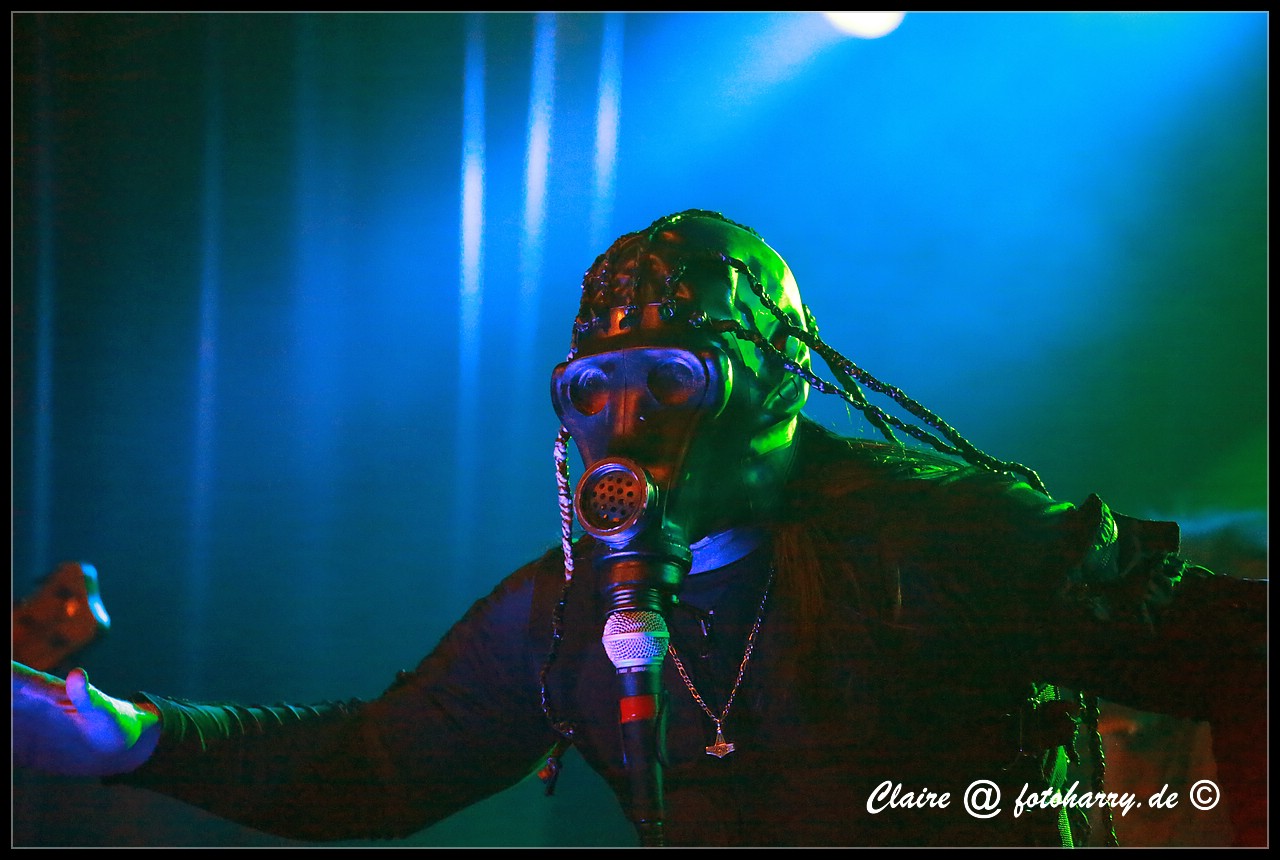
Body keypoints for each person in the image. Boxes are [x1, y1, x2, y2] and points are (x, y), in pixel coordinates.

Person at [12, 209, 1267, 848]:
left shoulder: (938, 534)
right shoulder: (562, 612)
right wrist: (132, 735)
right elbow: (378, 763)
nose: (625, 423)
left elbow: (1240, 648)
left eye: (670, 378)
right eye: (594, 389)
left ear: (773, 382)